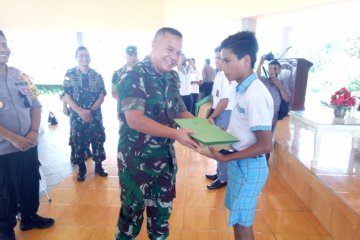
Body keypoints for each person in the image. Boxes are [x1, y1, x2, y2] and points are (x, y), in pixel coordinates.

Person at [115, 27, 199, 239]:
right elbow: (135, 119)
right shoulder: (133, 75)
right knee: (131, 219)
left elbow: (179, 111)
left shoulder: (171, 77)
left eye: (178, 52)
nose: (174, 57)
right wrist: (176, 134)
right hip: (136, 162)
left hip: (164, 162)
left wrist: (203, 128)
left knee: (161, 218)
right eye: (169, 49)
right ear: (154, 45)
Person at [203, 31, 274, 240]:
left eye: (227, 61)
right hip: (239, 162)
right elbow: (240, 130)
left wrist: (227, 157)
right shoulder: (240, 89)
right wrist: (213, 134)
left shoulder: (256, 94)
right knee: (237, 218)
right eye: (221, 60)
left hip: (250, 166)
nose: (222, 66)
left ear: (246, 60)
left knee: (243, 223)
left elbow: (265, 145)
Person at [0, 30, 55, 240]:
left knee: (30, 182)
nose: (2, 49)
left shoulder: (20, 75)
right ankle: (5, 230)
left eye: (4, 44)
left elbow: (36, 103)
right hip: (4, 151)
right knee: (5, 194)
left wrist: (32, 132)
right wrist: (14, 138)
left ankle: (29, 217)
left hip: (29, 144)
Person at [63, 46, 108, 182]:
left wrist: (91, 111)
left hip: (95, 115)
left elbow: (102, 95)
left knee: (98, 140)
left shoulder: (97, 75)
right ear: (76, 57)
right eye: (81, 55)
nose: (84, 58)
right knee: (79, 142)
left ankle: (99, 166)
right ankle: (82, 169)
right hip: (77, 117)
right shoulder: (69, 74)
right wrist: (81, 112)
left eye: (87, 55)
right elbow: (67, 95)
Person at [205, 46, 236, 190]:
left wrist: (212, 116)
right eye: (216, 57)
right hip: (218, 112)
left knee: (222, 146)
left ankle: (223, 178)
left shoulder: (227, 76)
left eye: (220, 58)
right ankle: (219, 173)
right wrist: (209, 114)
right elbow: (215, 98)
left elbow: (224, 101)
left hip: (225, 113)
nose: (217, 61)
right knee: (217, 145)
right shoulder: (218, 75)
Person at [256, 57, 290, 162]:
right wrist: (261, 62)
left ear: (279, 70)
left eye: (275, 68)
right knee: (258, 135)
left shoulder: (283, 83)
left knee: (268, 136)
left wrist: (279, 86)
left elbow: (286, 98)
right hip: (261, 113)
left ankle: (265, 159)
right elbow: (256, 76)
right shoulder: (264, 80)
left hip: (273, 114)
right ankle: (256, 156)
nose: (272, 71)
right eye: (270, 68)